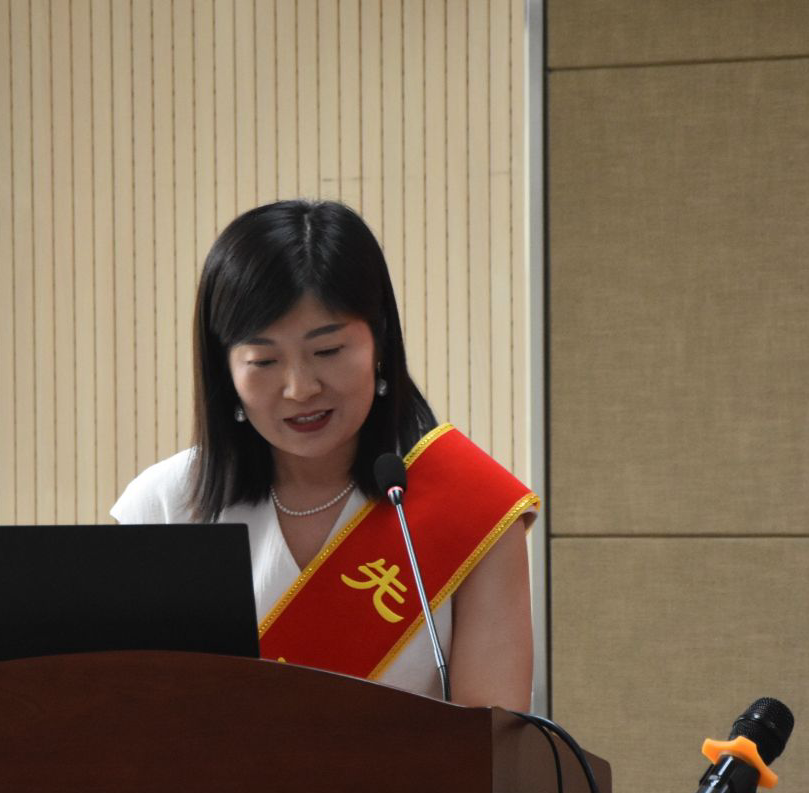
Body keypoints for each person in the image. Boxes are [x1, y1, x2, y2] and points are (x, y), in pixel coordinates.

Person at [111, 199, 537, 709]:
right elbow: (130, 718)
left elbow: (489, 742)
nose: (300, 388)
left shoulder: (472, 508)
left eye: (328, 351)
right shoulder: (164, 505)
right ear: (224, 369)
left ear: (380, 342)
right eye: (263, 361)